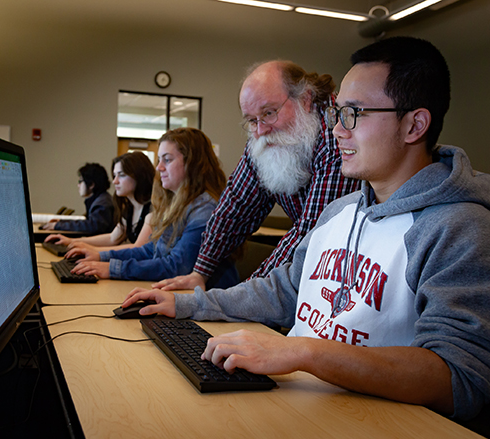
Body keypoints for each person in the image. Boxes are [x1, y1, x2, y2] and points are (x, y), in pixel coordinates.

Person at [124, 37, 490, 420]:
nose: (337, 129)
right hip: (298, 406)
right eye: (338, 113)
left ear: (414, 125)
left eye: (354, 113)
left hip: (372, 434)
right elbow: (283, 289)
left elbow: (460, 377)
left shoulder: (464, 229)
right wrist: (187, 304)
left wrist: (302, 352)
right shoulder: (340, 211)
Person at [154, 60, 359, 291]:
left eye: (269, 113)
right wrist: (199, 272)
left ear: (306, 99)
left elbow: (314, 232)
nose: (260, 130)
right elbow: (235, 206)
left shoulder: (338, 133)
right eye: (251, 120)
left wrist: (241, 295)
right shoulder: (266, 132)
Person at [70, 128, 239, 289]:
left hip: (208, 305)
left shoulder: (205, 208)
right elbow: (151, 250)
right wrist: (101, 257)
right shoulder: (176, 203)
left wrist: (113, 269)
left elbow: (177, 266)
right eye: (159, 160)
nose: (159, 167)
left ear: (192, 163)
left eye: (167, 159)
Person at [44, 151, 155, 253]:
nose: (115, 181)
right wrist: (72, 241)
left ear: (140, 176)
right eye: (114, 175)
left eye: (121, 175)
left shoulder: (152, 209)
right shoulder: (130, 208)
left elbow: (138, 247)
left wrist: (92, 250)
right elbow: (112, 238)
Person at [40, 162, 115, 235]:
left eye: (80, 181)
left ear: (91, 184)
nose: (78, 185)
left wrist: (58, 225)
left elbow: (92, 226)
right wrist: (62, 222)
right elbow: (88, 222)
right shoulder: (101, 199)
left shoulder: (102, 203)